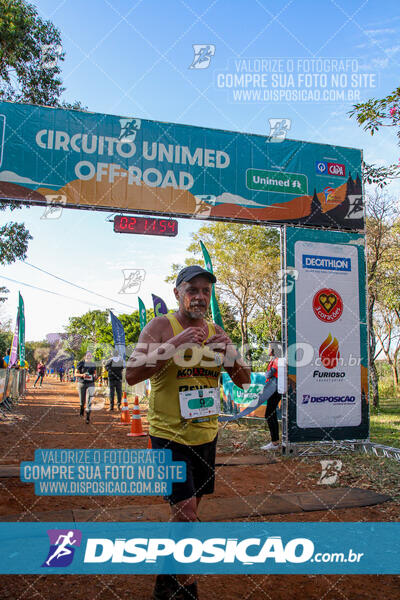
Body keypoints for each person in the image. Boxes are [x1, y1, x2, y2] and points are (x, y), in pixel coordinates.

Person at [126, 265, 251, 600]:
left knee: (184, 513)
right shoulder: (161, 326)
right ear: (177, 293)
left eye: (205, 291)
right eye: (192, 290)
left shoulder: (215, 330)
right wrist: (173, 345)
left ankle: (165, 580)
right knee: (187, 514)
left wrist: (232, 355)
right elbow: (132, 374)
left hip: (205, 436)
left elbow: (243, 380)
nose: (199, 296)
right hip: (169, 436)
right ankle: (187, 588)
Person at [260, 346, 281, 451]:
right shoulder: (274, 360)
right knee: (271, 414)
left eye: (268, 348)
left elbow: (268, 374)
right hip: (273, 388)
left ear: (273, 351)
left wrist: (266, 374)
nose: (267, 350)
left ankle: (275, 442)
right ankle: (275, 441)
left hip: (275, 390)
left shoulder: (276, 360)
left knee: (269, 414)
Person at [75, 352, 97, 424]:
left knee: (89, 401)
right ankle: (81, 409)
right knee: (82, 401)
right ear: (85, 356)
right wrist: (82, 375)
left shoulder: (93, 364)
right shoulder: (81, 363)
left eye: (90, 356)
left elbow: (95, 373)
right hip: (82, 383)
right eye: (87, 356)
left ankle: (88, 417)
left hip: (91, 383)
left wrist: (95, 376)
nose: (88, 357)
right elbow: (75, 374)